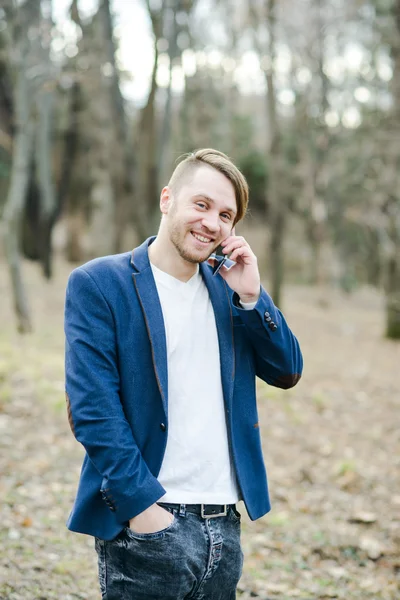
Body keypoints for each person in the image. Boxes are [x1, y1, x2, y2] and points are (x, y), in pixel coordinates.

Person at [64, 148, 303, 600]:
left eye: (226, 215)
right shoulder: (99, 284)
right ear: (167, 199)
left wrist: (253, 297)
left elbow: (288, 370)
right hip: (149, 524)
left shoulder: (232, 290)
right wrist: (145, 512)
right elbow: (93, 410)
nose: (212, 222)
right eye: (202, 204)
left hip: (224, 523)